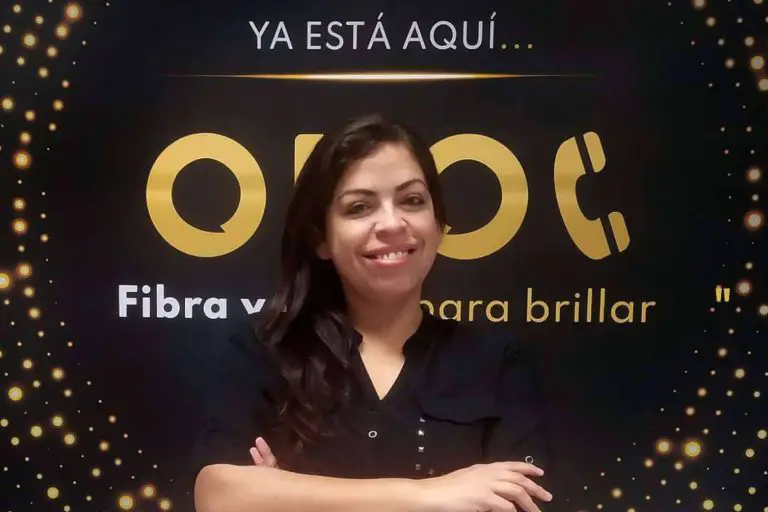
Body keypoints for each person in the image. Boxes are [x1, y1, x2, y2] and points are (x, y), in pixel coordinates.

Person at [192, 114, 556, 512]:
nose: (392, 223)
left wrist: (289, 496)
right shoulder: (264, 352)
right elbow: (219, 496)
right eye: (359, 207)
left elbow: (523, 503)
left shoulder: (498, 363)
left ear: (439, 224)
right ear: (321, 238)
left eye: (412, 200)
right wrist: (432, 494)